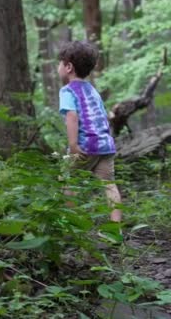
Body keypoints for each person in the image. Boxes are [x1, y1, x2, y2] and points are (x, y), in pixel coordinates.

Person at [57, 40, 123, 222]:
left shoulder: (67, 91)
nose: (59, 66)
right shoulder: (92, 89)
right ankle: (115, 229)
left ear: (68, 67)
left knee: (68, 182)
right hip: (105, 145)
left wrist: (73, 145)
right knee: (109, 185)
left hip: (85, 146)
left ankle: (74, 225)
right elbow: (102, 115)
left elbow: (71, 116)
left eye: (60, 63)